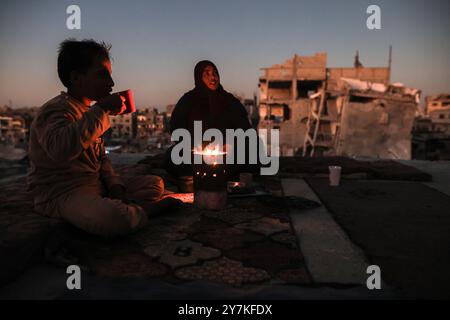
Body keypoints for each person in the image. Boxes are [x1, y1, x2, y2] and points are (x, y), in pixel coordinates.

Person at [28, 39, 179, 237]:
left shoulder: (88, 112)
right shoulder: (55, 110)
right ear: (76, 78)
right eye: (102, 75)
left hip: (94, 186)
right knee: (114, 218)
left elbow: (100, 159)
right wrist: (102, 109)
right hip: (63, 192)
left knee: (155, 184)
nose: (111, 83)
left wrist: (115, 185)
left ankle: (122, 204)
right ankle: (144, 211)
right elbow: (61, 149)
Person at [165, 60, 256, 191]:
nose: (213, 77)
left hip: (226, 153)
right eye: (207, 74)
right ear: (198, 77)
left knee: (250, 151)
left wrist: (229, 145)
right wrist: (195, 147)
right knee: (173, 156)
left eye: (215, 73)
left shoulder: (229, 100)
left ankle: (217, 176)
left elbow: (245, 130)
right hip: (197, 154)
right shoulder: (188, 100)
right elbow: (176, 128)